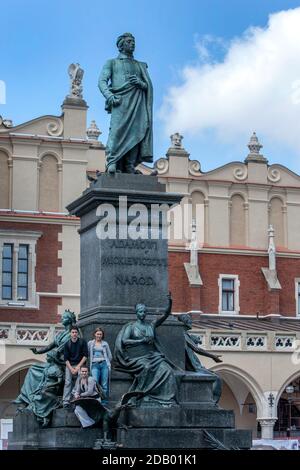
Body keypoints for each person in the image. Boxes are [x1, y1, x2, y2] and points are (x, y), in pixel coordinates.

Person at [98, 32, 153, 174]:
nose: (133, 44)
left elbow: (148, 86)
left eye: (133, 42)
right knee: (116, 131)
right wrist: (110, 96)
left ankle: (129, 166)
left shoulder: (140, 65)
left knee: (137, 131)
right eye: (129, 42)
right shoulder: (112, 63)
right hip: (120, 102)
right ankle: (112, 162)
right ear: (121, 45)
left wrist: (141, 83)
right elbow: (101, 82)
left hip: (137, 103)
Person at [114, 294, 177, 406]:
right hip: (136, 357)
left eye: (144, 312)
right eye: (140, 312)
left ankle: (164, 397)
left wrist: (170, 303)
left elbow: (165, 315)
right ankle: (138, 395)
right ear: (136, 313)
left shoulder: (151, 326)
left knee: (168, 370)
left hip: (152, 356)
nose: (143, 314)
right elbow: (125, 341)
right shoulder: (131, 326)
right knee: (146, 368)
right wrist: (141, 340)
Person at [13, 309, 76, 420]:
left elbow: (60, 352)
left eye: (64, 317)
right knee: (33, 368)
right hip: (55, 361)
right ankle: (25, 399)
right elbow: (50, 346)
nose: (62, 318)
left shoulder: (72, 334)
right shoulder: (61, 334)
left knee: (39, 371)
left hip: (62, 364)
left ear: (70, 320)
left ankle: (33, 402)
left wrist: (54, 356)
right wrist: (37, 351)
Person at [177, 313, 223, 403]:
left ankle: (212, 402)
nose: (191, 322)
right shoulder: (182, 334)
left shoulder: (185, 334)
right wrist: (213, 356)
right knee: (217, 379)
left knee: (216, 377)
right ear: (184, 322)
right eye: (189, 320)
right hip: (194, 367)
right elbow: (197, 349)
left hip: (195, 365)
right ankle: (212, 402)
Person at [63, 326, 88, 408]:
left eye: (76, 332)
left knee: (79, 380)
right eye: (73, 332)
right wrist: (71, 369)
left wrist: (77, 368)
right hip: (70, 365)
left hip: (79, 365)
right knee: (68, 382)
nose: (74, 334)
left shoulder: (82, 342)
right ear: (70, 333)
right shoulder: (67, 344)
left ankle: (75, 397)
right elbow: (66, 359)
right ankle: (66, 401)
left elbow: (85, 356)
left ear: (78, 333)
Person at [88, 328, 112, 403]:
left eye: (100, 334)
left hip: (104, 364)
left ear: (102, 335)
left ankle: (104, 400)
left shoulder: (105, 344)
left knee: (104, 383)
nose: (99, 335)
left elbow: (110, 355)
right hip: (95, 365)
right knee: (95, 382)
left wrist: (107, 362)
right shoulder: (90, 343)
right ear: (95, 334)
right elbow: (88, 354)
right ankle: (96, 399)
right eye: (97, 334)